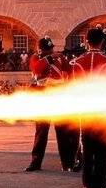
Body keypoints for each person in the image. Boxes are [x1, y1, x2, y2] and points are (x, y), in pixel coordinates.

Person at [70, 27, 106, 188]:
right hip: (102, 110)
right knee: (101, 149)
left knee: (88, 146)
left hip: (85, 109)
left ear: (86, 41)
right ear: (102, 41)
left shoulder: (78, 62)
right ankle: (99, 182)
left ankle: (87, 181)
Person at [26, 37, 76, 172]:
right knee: (41, 133)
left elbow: (70, 70)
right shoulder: (36, 58)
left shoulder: (59, 59)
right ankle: (35, 162)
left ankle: (67, 163)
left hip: (58, 97)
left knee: (63, 133)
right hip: (42, 98)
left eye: (51, 49)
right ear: (41, 49)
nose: (51, 51)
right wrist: (51, 57)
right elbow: (37, 69)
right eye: (48, 49)